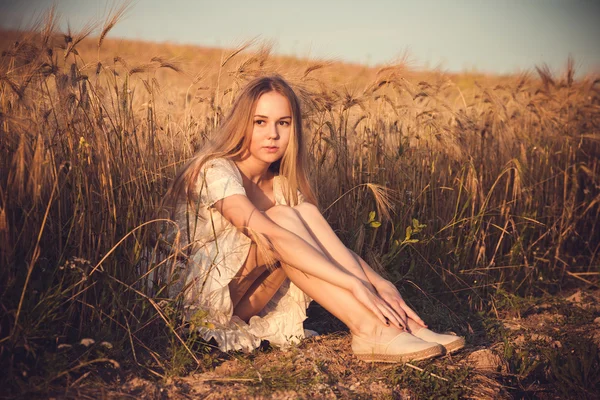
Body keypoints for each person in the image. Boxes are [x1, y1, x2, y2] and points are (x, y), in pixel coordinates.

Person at [159, 75, 465, 362]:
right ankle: (370, 329)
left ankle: (398, 324)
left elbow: (329, 248)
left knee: (300, 212)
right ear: (243, 124)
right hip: (202, 307)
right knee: (282, 220)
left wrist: (379, 283)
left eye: (283, 123)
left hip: (247, 302)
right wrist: (353, 283)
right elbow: (272, 236)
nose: (273, 134)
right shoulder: (215, 170)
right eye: (260, 122)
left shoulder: (280, 183)